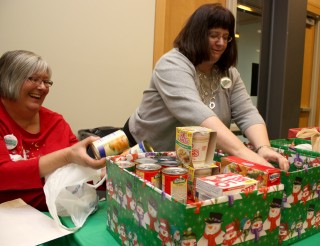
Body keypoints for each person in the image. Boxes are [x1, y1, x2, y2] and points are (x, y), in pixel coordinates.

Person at [123, 3, 289, 170]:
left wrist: (263, 148)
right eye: (214, 35)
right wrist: (244, 153)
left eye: (226, 37)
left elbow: (247, 112)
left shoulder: (229, 73)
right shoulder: (172, 64)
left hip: (182, 160)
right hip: (141, 151)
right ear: (197, 35)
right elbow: (198, 116)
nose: (221, 43)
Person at [0, 50, 106, 211]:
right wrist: (67, 156)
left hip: (57, 217)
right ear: (9, 80)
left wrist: (103, 171)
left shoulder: (56, 122)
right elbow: (4, 176)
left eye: (46, 82)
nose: (42, 87)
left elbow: (78, 175)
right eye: (33, 79)